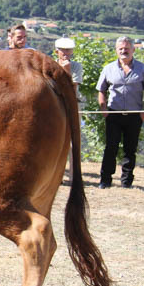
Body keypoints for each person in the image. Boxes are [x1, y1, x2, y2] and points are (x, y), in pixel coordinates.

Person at [96, 36, 144, 189]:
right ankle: (105, 180)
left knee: (130, 149)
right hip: (113, 114)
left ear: (133, 50)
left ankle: (126, 181)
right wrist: (104, 110)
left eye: (127, 48)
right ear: (116, 50)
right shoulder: (108, 69)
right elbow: (101, 90)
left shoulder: (143, 69)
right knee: (111, 148)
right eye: (120, 49)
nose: (124, 51)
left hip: (134, 115)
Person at [55, 37, 83, 180]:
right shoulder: (51, 65)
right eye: (63, 50)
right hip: (54, 105)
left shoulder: (76, 66)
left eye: (68, 50)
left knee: (73, 141)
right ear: (57, 51)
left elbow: (72, 89)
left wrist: (66, 71)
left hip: (72, 105)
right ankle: (56, 175)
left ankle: (74, 175)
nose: (65, 53)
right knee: (55, 140)